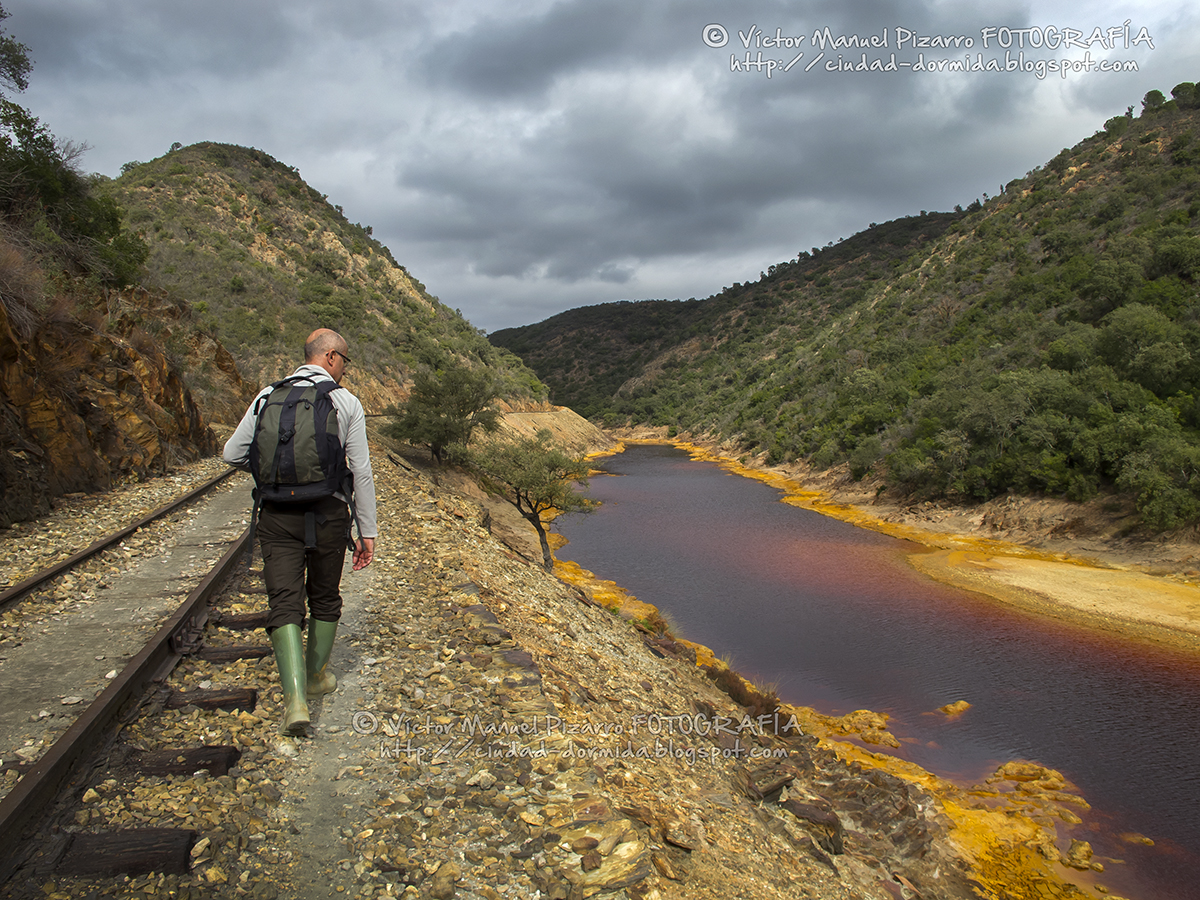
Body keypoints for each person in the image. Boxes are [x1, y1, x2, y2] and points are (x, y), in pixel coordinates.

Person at [223, 328, 377, 735]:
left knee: (284, 602)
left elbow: (232, 453)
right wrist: (368, 530)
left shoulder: (265, 395)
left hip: (276, 515)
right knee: (324, 597)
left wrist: (273, 476)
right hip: (329, 513)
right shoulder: (344, 401)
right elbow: (360, 470)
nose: (344, 368)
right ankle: (314, 678)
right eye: (344, 360)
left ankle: (294, 704)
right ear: (330, 357)